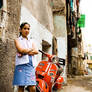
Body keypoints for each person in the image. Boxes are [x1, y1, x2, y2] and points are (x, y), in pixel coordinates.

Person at [13, 22, 38, 92]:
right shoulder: (17, 40)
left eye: (28, 29)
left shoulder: (32, 40)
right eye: (25, 28)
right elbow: (20, 50)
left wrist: (25, 51)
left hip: (30, 65)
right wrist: (30, 50)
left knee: (32, 87)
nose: (27, 30)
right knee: (21, 86)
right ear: (20, 30)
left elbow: (36, 51)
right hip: (21, 65)